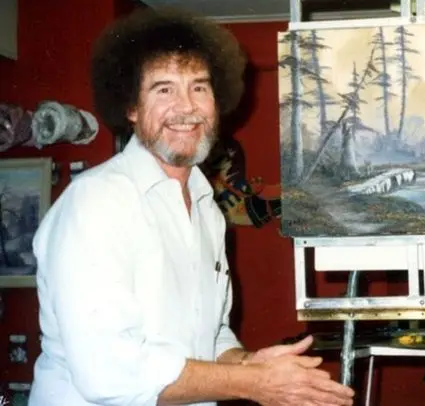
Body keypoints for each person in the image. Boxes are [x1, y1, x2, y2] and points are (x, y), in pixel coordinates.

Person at [28, 7, 355, 406]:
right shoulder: (96, 202)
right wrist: (254, 383)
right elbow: (109, 372)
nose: (186, 107)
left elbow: (208, 335)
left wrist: (247, 363)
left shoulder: (206, 210)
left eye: (199, 88)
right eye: (164, 89)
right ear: (131, 107)